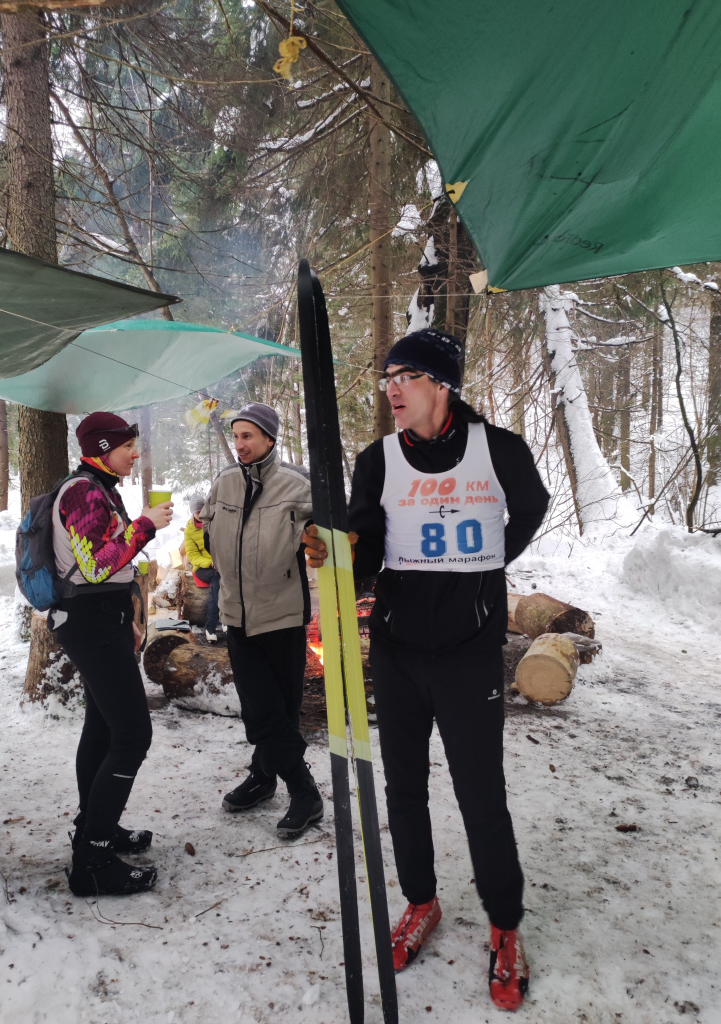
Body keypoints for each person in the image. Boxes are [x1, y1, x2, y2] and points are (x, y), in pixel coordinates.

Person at [303, 328, 550, 1011]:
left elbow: (531, 507)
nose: (392, 389)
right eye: (387, 378)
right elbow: (366, 547)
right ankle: (420, 901)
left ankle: (504, 925)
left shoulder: (500, 450)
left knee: (480, 795)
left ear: (442, 385)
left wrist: (488, 559)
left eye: (405, 376)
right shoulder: (376, 460)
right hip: (399, 649)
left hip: (469, 651)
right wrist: (340, 553)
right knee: (404, 790)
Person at [48, 412, 173, 897]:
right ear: (101, 447)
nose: (134, 453)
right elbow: (98, 564)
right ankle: (93, 861)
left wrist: (134, 612)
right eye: (126, 446)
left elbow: (111, 560)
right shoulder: (81, 492)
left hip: (107, 618)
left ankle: (97, 827)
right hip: (89, 621)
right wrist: (145, 525)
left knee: (102, 728)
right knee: (132, 734)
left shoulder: (102, 488)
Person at [200, 402, 321, 838]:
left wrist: (317, 539)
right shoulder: (225, 483)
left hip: (282, 614)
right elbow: (209, 537)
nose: (240, 445)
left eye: (248, 436)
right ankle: (298, 789)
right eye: (236, 437)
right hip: (236, 612)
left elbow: (336, 529)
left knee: (279, 708)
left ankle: (270, 778)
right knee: (260, 709)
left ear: (270, 438)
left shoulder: (297, 484)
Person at [185, 494, 222, 642]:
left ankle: (224, 619)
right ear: (193, 513)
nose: (201, 514)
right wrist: (210, 563)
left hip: (219, 563)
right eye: (197, 512)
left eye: (203, 510)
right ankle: (211, 626)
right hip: (202, 568)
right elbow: (193, 556)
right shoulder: (189, 531)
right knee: (217, 579)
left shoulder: (214, 522)